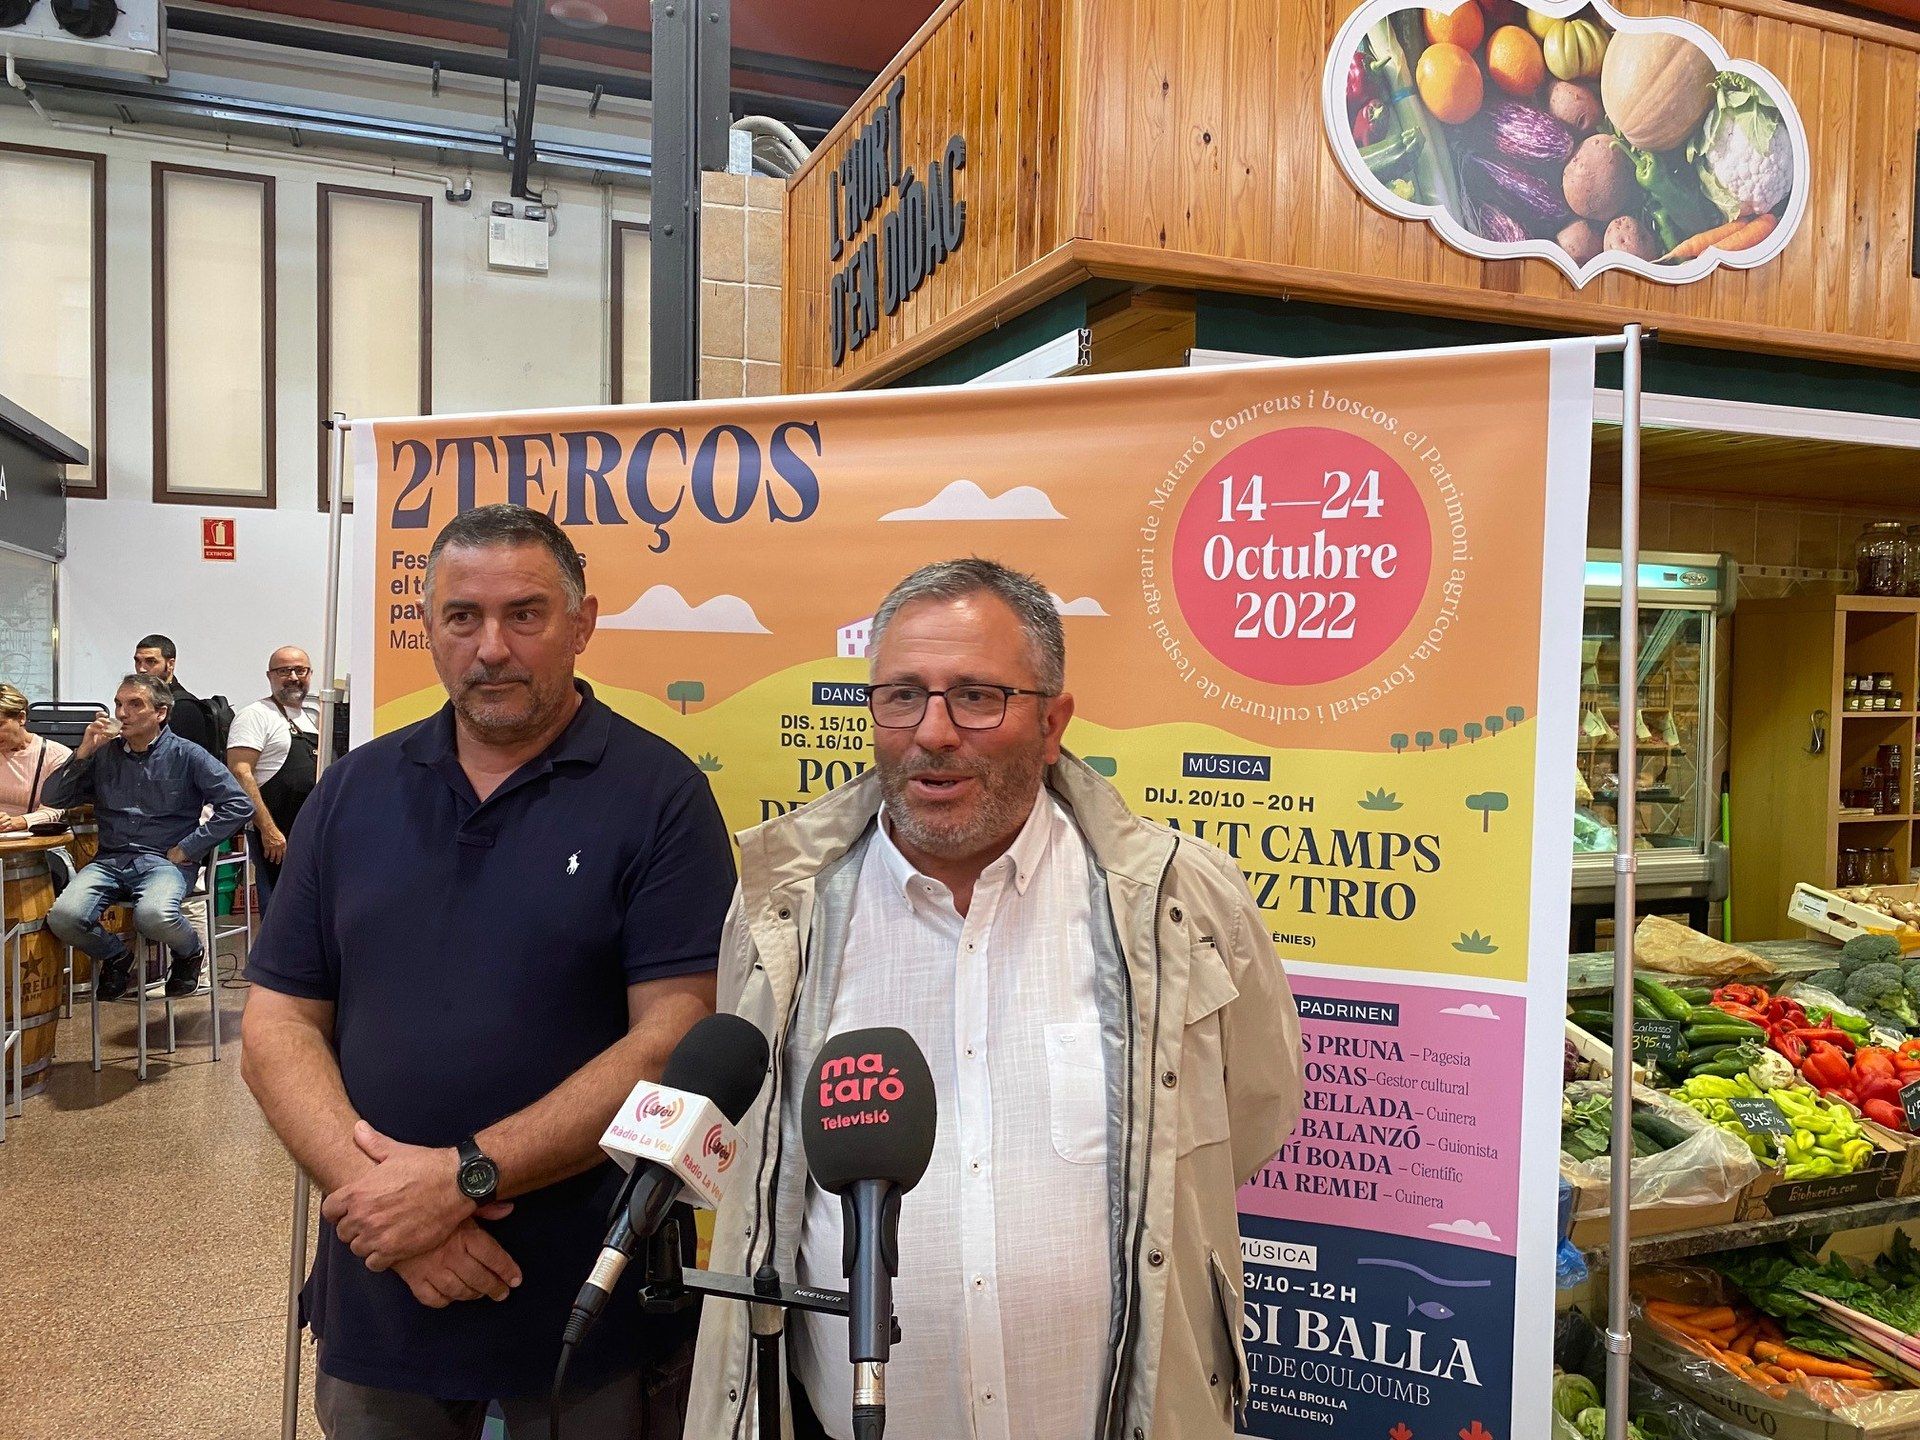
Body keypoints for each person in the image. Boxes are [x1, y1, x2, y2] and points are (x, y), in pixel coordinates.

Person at [688, 559, 1304, 1440]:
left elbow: (1248, 1115)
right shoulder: (785, 906)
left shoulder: (1180, 900)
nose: (933, 732)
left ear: (1052, 723)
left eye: (976, 697)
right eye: (902, 696)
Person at [240, 504, 736, 1439]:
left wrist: (463, 1178)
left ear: (583, 624)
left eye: (526, 614)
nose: (492, 647)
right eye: (462, 617)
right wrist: (393, 1206)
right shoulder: (351, 792)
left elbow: (674, 1035)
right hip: (381, 1289)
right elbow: (276, 1029)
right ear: (427, 628)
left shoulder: (659, 796)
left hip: (581, 1310)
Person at [42, 672, 252, 999]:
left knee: (153, 915)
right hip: (110, 860)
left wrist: (189, 847)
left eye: (134, 704)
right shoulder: (104, 753)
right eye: (118, 704)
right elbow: (53, 798)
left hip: (162, 862)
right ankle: (116, 955)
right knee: (64, 918)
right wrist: (82, 752)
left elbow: (239, 804)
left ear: (161, 713)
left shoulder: (187, 755)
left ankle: (190, 952)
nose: (122, 713)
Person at [226, 646, 320, 909]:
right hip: (278, 840)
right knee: (281, 912)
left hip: (311, 836)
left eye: (299, 670)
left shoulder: (313, 718)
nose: (292, 676)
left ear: (310, 674)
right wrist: (268, 830)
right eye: (283, 671)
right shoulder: (255, 716)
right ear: (270, 676)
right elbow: (240, 772)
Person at [0, 682, 70, 832]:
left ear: (21, 717)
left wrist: (15, 822)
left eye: (0, 724)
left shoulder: (56, 756)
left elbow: (54, 809)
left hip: (35, 844)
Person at [133, 633, 219, 754]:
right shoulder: (154, 700)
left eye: (151, 661)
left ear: (170, 664)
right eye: (138, 661)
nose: (141, 669)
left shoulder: (183, 707)